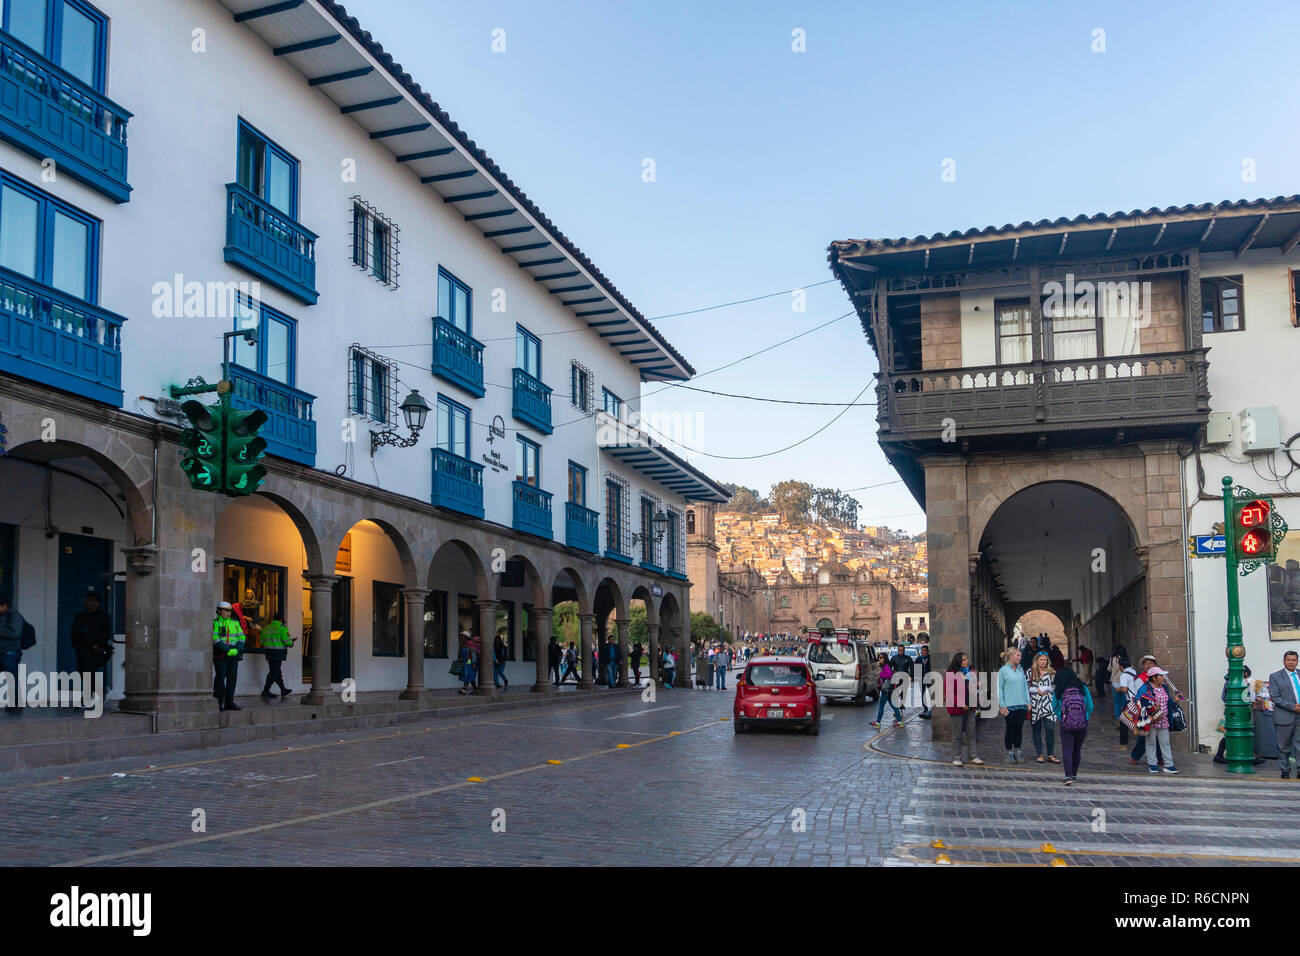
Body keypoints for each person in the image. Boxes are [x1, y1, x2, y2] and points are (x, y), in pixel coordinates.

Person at [1213, 666, 1266, 765]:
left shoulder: (1235, 682)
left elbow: (1224, 697)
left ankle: (1223, 755)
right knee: (1233, 733)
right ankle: (1221, 755)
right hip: (1237, 711)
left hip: (1236, 711)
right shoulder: (1236, 682)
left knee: (1237, 733)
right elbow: (1228, 697)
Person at [1053, 664, 1093, 785]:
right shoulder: (1082, 687)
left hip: (1066, 724)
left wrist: (1062, 718)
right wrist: (1084, 718)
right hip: (1082, 723)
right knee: (1077, 749)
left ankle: (1068, 776)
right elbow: (1090, 706)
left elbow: (1054, 706)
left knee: (1067, 749)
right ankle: (1074, 774)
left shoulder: (1059, 689)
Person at [70, 590, 113, 701]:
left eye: (90, 600)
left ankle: (89, 697)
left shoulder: (103, 616)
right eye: (86, 600)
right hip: (82, 649)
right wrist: (76, 644)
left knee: (90, 672)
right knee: (83, 672)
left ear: (97, 603)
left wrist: (98, 645)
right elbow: (74, 631)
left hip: (95, 649)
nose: (87, 602)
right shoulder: (80, 616)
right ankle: (94, 693)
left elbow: (107, 632)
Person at [1134, 666, 1178, 774]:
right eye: (1161, 675)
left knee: (1165, 742)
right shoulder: (1145, 688)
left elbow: (1168, 702)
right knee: (1151, 742)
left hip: (1163, 720)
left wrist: (1175, 701)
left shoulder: (1165, 688)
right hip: (1151, 720)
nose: (1163, 677)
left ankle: (1169, 764)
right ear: (1154, 678)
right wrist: (1152, 705)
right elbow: (1138, 701)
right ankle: (1152, 764)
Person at [946, 651, 983, 766]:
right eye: (964, 660)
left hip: (970, 707)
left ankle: (973, 756)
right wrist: (961, 704)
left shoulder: (971, 673)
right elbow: (949, 693)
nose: (967, 661)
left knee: (971, 733)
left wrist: (977, 684)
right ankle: (956, 757)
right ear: (958, 662)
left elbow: (975, 689)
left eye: (967, 659)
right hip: (957, 709)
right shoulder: (951, 674)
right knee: (957, 735)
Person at [1268, 651, 1300, 779]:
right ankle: (1285, 769)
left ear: (1297, 661)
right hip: (1284, 715)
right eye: (1288, 660)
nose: (1291, 662)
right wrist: (1292, 707)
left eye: (1294, 660)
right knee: (1283, 746)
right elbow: (1275, 696)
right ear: (1284, 661)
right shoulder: (1275, 676)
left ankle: (1299, 769)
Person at [212, 600, 245, 712]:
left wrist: (237, 649)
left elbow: (242, 638)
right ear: (219, 611)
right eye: (225, 610)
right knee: (220, 678)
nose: (228, 613)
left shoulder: (235, 623)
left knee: (232, 679)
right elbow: (215, 639)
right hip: (221, 655)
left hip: (233, 655)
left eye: (229, 611)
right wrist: (227, 649)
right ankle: (219, 702)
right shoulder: (215, 623)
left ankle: (229, 702)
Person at [997, 646, 1029, 763]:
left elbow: (1025, 686)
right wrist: (1002, 704)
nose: (1020, 657)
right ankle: (1009, 753)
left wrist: (1028, 701)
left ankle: (1018, 751)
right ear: (1011, 656)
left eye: (1020, 655)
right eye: (1018, 655)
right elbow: (999, 688)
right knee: (1010, 729)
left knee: (1019, 729)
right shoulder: (1003, 671)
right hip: (1009, 704)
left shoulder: (1021, 669)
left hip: (1021, 704)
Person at [1027, 652, 1059, 764]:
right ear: (1036, 660)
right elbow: (1026, 686)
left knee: (1050, 729)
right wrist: (1037, 690)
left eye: (1045, 660)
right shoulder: (1030, 672)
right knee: (1036, 729)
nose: (1043, 662)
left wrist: (1047, 688)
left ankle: (1050, 754)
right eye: (1041, 659)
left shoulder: (1052, 672)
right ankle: (1040, 754)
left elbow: (1056, 686)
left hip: (1048, 704)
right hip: (1035, 703)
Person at [0, 595, 29, 714]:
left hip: (9, 652)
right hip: (2, 651)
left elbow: (14, 633)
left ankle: (16, 703)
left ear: (4, 606)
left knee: (12, 678)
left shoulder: (14, 615)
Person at [259, 612, 294, 698]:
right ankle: (266, 690)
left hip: (269, 652)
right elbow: (287, 642)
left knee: (276, 670)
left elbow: (261, 642)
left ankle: (283, 689)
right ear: (281, 620)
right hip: (278, 653)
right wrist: (291, 643)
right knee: (274, 671)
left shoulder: (265, 628)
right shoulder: (282, 629)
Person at [871, 653, 902, 728]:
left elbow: (889, 676)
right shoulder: (883, 667)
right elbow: (883, 678)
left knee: (883, 705)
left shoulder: (886, 667)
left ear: (885, 658)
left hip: (886, 690)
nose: (879, 659)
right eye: (878, 657)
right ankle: (899, 722)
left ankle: (878, 722)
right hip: (886, 690)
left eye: (881, 657)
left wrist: (880, 674)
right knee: (891, 705)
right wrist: (879, 682)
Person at [917, 645, 932, 718]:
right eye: (922, 650)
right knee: (923, 694)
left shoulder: (931, 658)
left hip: (929, 678)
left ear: (927, 651)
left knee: (931, 694)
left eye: (925, 650)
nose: (923, 652)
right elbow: (916, 670)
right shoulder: (918, 659)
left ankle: (932, 708)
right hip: (921, 679)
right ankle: (925, 709)